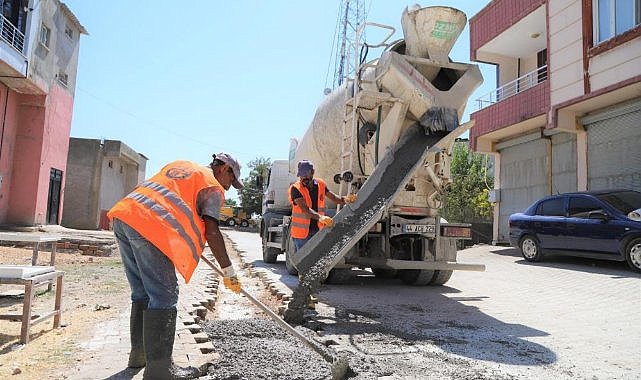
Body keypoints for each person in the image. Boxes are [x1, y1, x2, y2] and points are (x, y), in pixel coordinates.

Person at [108, 153, 244, 380]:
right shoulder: (212, 187)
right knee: (164, 295)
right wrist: (228, 271)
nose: (229, 188)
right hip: (148, 226)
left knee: (142, 292)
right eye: (232, 181)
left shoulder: (182, 166)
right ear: (225, 170)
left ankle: (139, 356)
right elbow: (212, 231)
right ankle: (160, 371)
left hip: (125, 217)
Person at [289, 159, 357, 253]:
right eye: (301, 175)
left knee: (316, 260)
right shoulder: (295, 189)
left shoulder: (320, 184)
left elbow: (334, 198)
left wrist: (346, 199)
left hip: (317, 231)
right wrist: (321, 217)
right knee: (305, 263)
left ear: (312, 172)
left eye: (305, 174)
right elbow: (305, 210)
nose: (303, 177)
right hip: (301, 235)